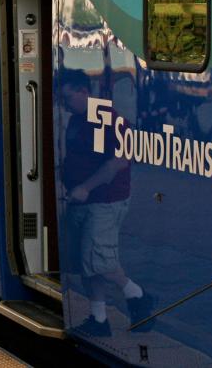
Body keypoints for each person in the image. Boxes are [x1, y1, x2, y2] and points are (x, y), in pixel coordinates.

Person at [60, 69, 152, 336]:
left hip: (106, 201)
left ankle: (138, 295)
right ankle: (99, 319)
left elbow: (120, 161)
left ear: (83, 92)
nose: (65, 104)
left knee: (99, 259)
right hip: (82, 200)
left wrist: (86, 188)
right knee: (87, 263)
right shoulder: (78, 118)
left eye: (68, 98)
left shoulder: (110, 120)